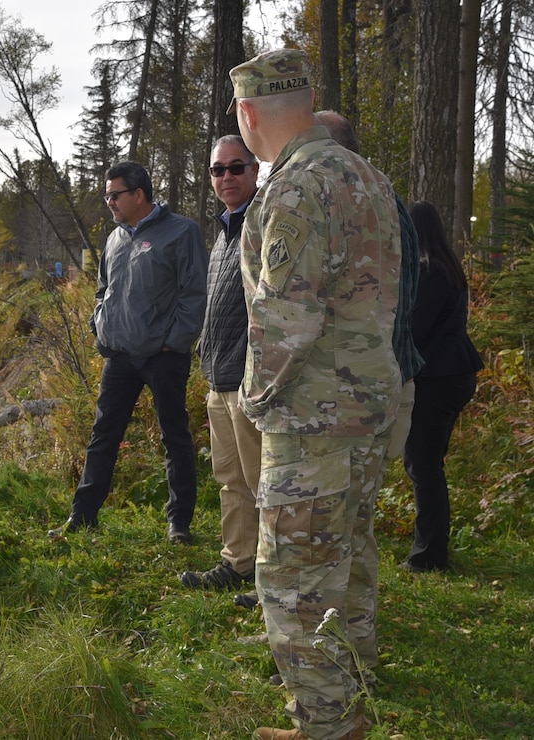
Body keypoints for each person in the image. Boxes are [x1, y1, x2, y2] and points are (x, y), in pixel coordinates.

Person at [228, 49, 402, 740]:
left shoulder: (297, 187)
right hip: (365, 404)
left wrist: (252, 400)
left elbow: (284, 320)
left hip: (314, 416)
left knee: (293, 583)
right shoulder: (367, 175)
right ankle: (349, 687)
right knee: (349, 558)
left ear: (248, 114)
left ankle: (328, 724)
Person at [49, 161, 208, 545]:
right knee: (103, 435)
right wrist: (100, 326)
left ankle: (179, 524)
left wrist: (173, 342)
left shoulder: (181, 232)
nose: (109, 203)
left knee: (175, 436)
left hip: (163, 355)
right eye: (106, 196)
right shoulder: (116, 238)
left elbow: (194, 293)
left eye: (115, 195)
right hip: (119, 355)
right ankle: (82, 516)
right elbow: (104, 287)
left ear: (139, 194)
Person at [314, 110, 425, 462]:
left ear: (334, 150)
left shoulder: (366, 204)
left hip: (362, 394)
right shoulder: (383, 197)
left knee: (344, 512)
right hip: (380, 384)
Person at [178, 136, 262, 590]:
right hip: (218, 378)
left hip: (250, 381)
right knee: (230, 480)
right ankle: (239, 564)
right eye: (217, 170)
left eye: (236, 168)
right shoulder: (224, 234)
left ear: (254, 171)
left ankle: (273, 577)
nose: (226, 177)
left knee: (262, 483)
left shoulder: (263, 225)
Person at [402, 201, 483, 572]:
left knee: (423, 464)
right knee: (425, 463)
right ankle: (431, 548)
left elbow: (416, 330)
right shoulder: (447, 268)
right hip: (452, 375)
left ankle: (429, 555)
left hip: (441, 378)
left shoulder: (431, 273)